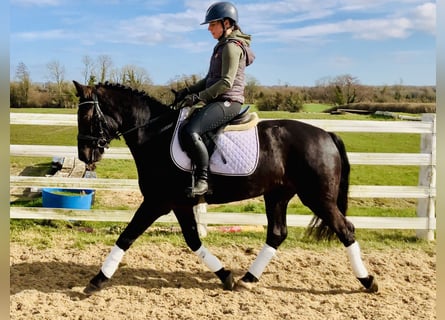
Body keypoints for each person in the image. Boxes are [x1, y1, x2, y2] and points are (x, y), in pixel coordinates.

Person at [174, 1, 255, 197]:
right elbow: (210, 79)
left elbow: (226, 83)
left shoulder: (231, 47)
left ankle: (203, 179)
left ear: (226, 23)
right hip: (219, 100)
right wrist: (187, 91)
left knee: (191, 131)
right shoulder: (222, 46)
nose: (209, 29)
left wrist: (197, 98)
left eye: (213, 24)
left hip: (228, 101)